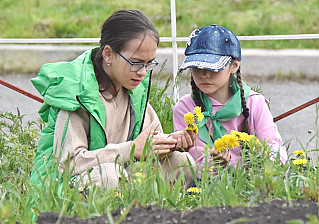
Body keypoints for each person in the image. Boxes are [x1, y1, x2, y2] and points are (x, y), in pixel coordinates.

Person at [30, 9, 195, 191]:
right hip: (69, 185)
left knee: (182, 162)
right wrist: (130, 149)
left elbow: (148, 142)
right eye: (136, 62)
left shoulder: (132, 88)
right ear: (108, 54)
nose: (143, 72)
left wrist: (171, 142)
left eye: (150, 63)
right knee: (107, 175)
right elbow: (69, 165)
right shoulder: (77, 97)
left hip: (123, 176)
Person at [173, 24, 287, 178]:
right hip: (203, 187)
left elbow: (275, 150)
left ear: (234, 66)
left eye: (213, 68)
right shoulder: (185, 108)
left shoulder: (254, 103)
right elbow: (190, 161)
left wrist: (261, 159)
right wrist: (212, 164)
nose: (204, 74)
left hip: (254, 183)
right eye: (197, 67)